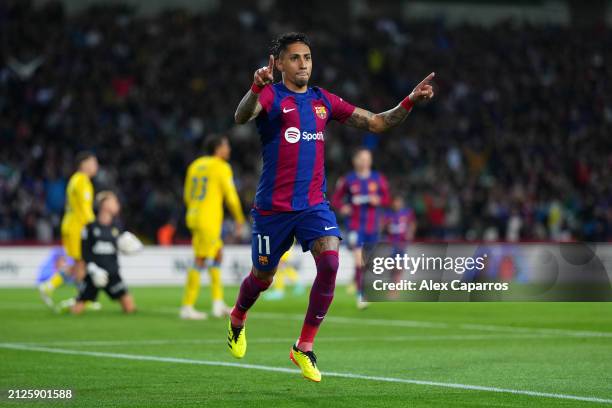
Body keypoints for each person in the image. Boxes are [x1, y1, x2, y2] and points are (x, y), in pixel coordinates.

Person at [227, 32, 434, 382]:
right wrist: (253, 87)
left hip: (313, 206)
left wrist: (409, 100)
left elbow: (376, 122)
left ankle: (303, 347)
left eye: (307, 57)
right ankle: (237, 317)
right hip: (272, 210)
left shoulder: (324, 100)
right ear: (278, 63)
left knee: (331, 261)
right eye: (295, 58)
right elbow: (241, 116)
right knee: (262, 278)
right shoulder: (270, 95)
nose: (303, 63)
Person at [181, 135, 245, 320]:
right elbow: (231, 196)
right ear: (218, 149)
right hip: (208, 219)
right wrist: (239, 219)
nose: (229, 149)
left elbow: (187, 194)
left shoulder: (195, 165)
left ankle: (218, 303)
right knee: (201, 258)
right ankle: (187, 306)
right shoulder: (221, 166)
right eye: (226, 146)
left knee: (217, 254)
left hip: (194, 215)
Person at [331, 148, 391, 309]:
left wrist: (378, 200)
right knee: (359, 259)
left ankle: (360, 283)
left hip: (373, 226)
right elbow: (335, 199)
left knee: (367, 262)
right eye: (362, 158)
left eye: (367, 158)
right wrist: (343, 207)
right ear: (355, 161)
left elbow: (386, 199)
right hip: (355, 226)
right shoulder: (348, 180)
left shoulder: (378, 179)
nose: (365, 162)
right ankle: (360, 296)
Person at [39, 152, 98, 307]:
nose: (95, 166)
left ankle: (52, 287)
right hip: (77, 227)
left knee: (80, 264)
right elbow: (85, 209)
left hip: (70, 225)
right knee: (81, 264)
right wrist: (94, 227)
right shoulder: (82, 181)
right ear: (84, 164)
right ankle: (82, 299)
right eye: (93, 163)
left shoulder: (75, 179)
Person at [71, 191, 136, 315]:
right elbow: (85, 252)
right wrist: (93, 269)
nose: (117, 205)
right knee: (77, 310)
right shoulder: (89, 228)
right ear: (105, 204)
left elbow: (121, 247)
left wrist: (130, 249)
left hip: (112, 274)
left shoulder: (117, 227)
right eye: (114, 201)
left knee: (129, 308)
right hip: (93, 274)